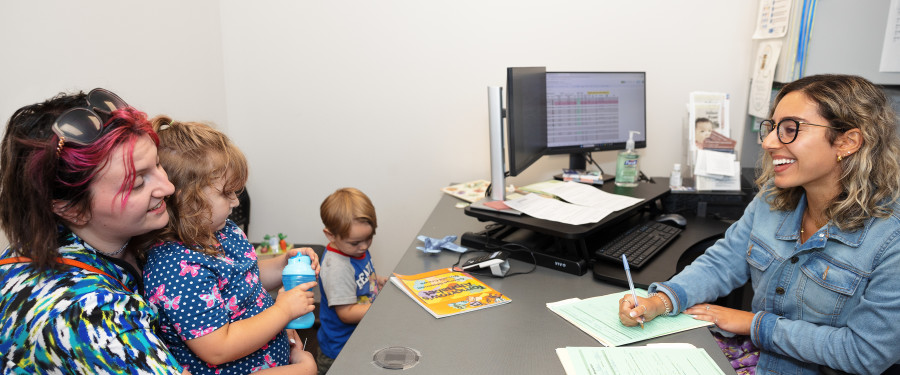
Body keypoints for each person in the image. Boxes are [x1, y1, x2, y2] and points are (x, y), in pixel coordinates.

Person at [619, 74, 900, 375]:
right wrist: (661, 300)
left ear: (847, 141)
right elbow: (722, 263)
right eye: (773, 128)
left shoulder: (890, 239)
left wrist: (754, 324)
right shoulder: (772, 199)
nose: (768, 142)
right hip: (755, 357)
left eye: (790, 129)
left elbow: (865, 353)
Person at [0, 89, 186, 373]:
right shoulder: (90, 314)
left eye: (157, 164)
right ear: (70, 209)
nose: (167, 187)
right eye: (137, 184)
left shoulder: (119, 239)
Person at [141, 116, 319, 375]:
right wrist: (282, 311)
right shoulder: (176, 267)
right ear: (185, 200)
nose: (235, 202)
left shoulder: (222, 230)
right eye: (226, 193)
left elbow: (246, 278)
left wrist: (284, 265)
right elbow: (217, 348)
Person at [316, 187, 387, 374]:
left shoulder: (354, 249)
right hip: (340, 350)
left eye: (369, 238)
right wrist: (382, 307)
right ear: (331, 235)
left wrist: (376, 281)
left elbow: (359, 279)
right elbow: (346, 313)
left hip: (359, 337)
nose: (363, 246)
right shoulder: (337, 267)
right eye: (356, 242)